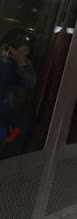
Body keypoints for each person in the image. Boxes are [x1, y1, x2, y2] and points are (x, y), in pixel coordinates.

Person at [0, 28, 37, 157]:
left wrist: (21, 64)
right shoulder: (4, 63)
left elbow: (30, 84)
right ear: (10, 49)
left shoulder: (20, 63)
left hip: (6, 110)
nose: (27, 53)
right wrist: (3, 62)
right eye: (24, 50)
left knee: (27, 127)